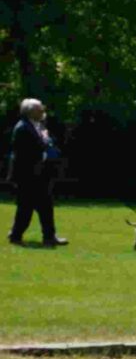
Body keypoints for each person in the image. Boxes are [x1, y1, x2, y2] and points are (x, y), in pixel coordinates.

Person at [8, 98, 65, 248]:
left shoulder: (38, 126)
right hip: (27, 175)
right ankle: (16, 235)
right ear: (30, 112)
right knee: (25, 208)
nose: (43, 111)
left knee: (46, 206)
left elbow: (46, 143)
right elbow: (24, 154)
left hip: (40, 174)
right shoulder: (22, 128)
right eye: (40, 109)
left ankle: (49, 236)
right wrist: (44, 153)